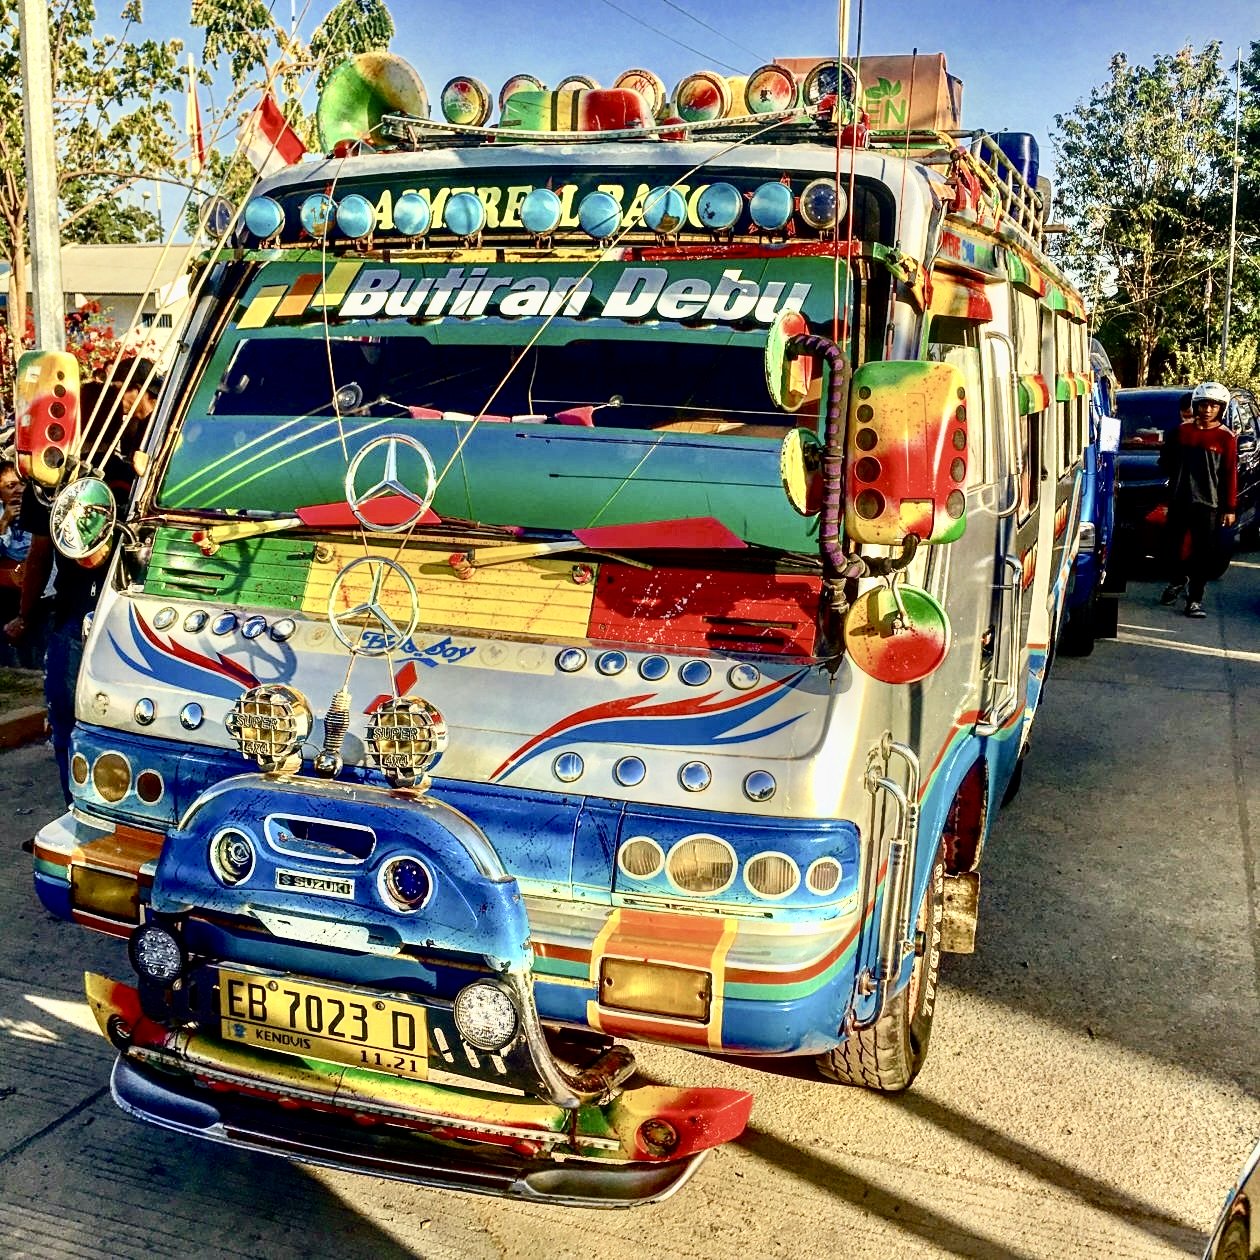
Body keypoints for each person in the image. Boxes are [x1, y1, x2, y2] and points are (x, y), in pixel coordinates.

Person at [3, 362, 156, 802]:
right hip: (136, 613)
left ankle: (78, 808)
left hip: (79, 615)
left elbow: (39, 555)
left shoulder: (51, 482)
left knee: (69, 720)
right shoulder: (140, 475)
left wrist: (24, 615)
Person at [1158, 380, 1237, 618]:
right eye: (1203, 405)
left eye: (1214, 405)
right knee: (1171, 548)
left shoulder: (1226, 437)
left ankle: (1195, 599)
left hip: (1209, 504)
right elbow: (1165, 463)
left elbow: (1229, 474)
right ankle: (1177, 579)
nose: (1208, 410)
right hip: (1179, 499)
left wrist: (1229, 508)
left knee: (1203, 554)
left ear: (1221, 408)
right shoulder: (1180, 433)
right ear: (1195, 406)